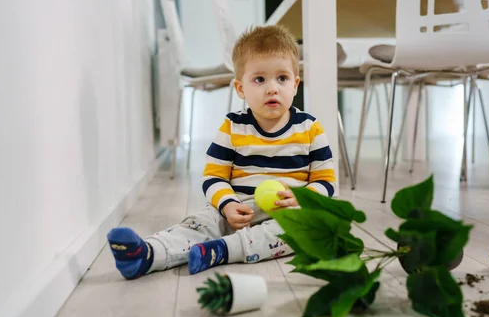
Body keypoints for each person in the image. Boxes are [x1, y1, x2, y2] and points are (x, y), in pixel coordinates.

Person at [106, 24, 337, 279]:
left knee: (304, 225)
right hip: (238, 206)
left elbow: (326, 182)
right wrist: (227, 204)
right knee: (200, 223)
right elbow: (214, 177)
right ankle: (148, 253)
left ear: (295, 84)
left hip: (288, 210)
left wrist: (302, 198)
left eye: (281, 78)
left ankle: (221, 250)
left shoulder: (310, 129)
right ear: (240, 88)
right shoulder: (232, 127)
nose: (272, 88)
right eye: (260, 79)